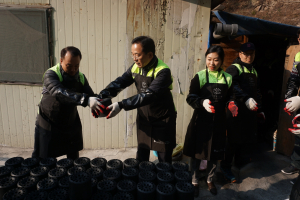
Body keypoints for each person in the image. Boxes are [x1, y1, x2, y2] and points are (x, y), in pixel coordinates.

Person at [97, 36, 176, 163]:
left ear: (149, 55)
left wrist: (122, 105)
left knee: (164, 158)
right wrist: (102, 96)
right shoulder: (135, 67)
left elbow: (149, 95)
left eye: (137, 55)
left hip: (163, 119)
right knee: (142, 154)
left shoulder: (163, 71)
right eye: (132, 55)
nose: (134, 59)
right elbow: (120, 83)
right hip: (144, 117)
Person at [183, 45, 238, 196]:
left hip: (219, 122)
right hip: (200, 121)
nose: (212, 63)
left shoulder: (227, 78)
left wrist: (231, 104)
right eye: (209, 59)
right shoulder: (199, 76)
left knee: (215, 153)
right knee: (197, 152)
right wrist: (202, 103)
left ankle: (209, 179)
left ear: (221, 61)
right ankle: (194, 180)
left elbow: (231, 97)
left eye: (215, 60)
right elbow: (190, 97)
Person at [32, 46, 101, 160]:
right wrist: (86, 100)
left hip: (70, 120)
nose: (73, 70)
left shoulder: (81, 77)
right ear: (61, 61)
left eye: (76, 66)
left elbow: (91, 95)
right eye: (69, 66)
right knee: (45, 160)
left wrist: (102, 104)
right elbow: (59, 92)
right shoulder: (51, 74)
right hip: (48, 120)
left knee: (73, 158)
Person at [220, 42, 264, 183]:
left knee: (244, 138)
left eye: (251, 54)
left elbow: (256, 91)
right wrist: (245, 98)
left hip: (249, 113)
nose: (249, 57)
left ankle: (239, 161)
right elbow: (231, 85)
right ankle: (225, 167)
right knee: (232, 140)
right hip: (235, 111)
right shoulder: (234, 68)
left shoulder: (253, 71)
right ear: (240, 54)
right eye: (246, 54)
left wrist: (260, 108)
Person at [282, 29, 300, 185]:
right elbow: (294, 79)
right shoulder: (299, 56)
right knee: (299, 132)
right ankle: (296, 164)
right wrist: (289, 98)